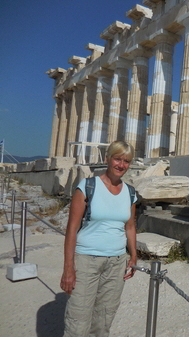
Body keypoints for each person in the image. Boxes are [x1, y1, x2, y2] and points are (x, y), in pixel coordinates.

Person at [60, 141, 137, 337]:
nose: (121, 165)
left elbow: (130, 226)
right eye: (117, 159)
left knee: (103, 320)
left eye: (126, 161)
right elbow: (72, 228)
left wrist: (133, 257)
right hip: (86, 259)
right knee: (78, 320)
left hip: (117, 262)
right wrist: (68, 268)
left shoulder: (130, 192)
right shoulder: (87, 186)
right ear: (107, 159)